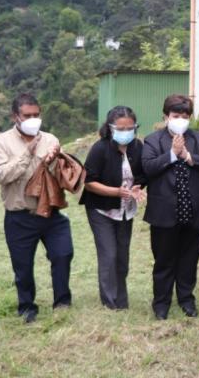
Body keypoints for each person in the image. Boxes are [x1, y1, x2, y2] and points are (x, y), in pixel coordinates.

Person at [0, 93, 73, 323]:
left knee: (63, 254)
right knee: (23, 266)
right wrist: (28, 153)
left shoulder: (51, 139)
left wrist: (57, 163)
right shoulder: (1, 143)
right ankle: (27, 308)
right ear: (15, 116)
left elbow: (62, 177)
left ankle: (62, 302)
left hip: (51, 213)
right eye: (27, 115)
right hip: (20, 215)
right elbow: (2, 175)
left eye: (36, 114)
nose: (33, 119)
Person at [142, 94, 199, 320]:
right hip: (164, 211)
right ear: (166, 117)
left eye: (185, 115)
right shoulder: (153, 140)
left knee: (189, 259)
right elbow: (148, 167)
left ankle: (186, 299)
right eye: (176, 115)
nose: (180, 119)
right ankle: (161, 302)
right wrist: (173, 155)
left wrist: (189, 156)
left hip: (194, 209)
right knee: (164, 260)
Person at [80, 106, 147, 310]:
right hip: (101, 209)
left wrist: (137, 187)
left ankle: (122, 300)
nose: (126, 132)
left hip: (126, 210)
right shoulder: (100, 149)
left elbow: (142, 175)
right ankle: (109, 303)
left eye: (130, 128)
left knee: (122, 256)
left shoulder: (138, 147)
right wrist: (115, 192)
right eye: (121, 128)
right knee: (109, 255)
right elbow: (89, 182)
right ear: (110, 128)